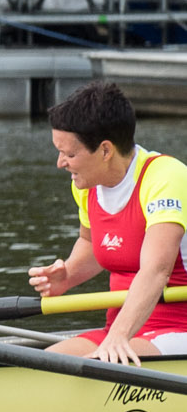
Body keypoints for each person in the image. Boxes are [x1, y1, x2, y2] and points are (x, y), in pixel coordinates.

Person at [29, 81, 187, 365]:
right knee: (43, 363)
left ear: (105, 150)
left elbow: (156, 271)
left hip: (178, 325)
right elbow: (92, 243)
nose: (60, 163)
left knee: (99, 364)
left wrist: (120, 335)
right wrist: (68, 276)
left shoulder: (165, 178)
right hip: (120, 326)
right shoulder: (85, 185)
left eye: (70, 154)